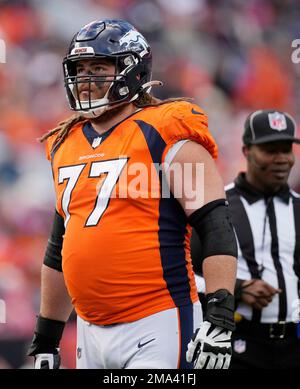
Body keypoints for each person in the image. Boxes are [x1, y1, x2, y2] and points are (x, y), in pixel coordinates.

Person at [27, 19, 237, 369]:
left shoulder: (165, 129)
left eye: (98, 67)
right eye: (79, 69)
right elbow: (58, 250)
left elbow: (215, 225)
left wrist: (220, 316)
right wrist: (47, 337)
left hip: (158, 321)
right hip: (90, 331)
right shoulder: (66, 143)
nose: (86, 79)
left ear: (131, 70)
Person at [192, 109, 300, 369]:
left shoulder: (298, 207)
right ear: (247, 151)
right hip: (239, 342)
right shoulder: (216, 205)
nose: (281, 159)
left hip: (294, 345)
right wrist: (237, 289)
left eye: (286, 150)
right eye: (270, 150)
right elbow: (184, 274)